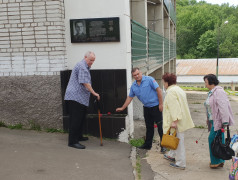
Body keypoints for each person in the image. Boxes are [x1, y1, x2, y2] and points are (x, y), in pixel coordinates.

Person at [116, 67, 166, 152]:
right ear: (133, 76)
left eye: (138, 74)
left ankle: (163, 145)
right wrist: (122, 108)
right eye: (134, 75)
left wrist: (161, 104)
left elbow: (159, 91)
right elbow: (129, 97)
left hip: (156, 107)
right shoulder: (134, 86)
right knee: (149, 127)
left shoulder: (149, 79)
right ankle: (147, 145)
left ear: (141, 73)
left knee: (160, 127)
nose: (137, 76)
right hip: (146, 108)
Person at [65, 51, 100, 149]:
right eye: (90, 60)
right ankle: (72, 142)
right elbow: (85, 83)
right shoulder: (82, 66)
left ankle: (78, 136)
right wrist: (94, 93)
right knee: (75, 120)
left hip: (80, 97)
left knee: (80, 118)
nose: (91, 62)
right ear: (85, 57)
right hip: (75, 97)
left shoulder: (85, 66)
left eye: (93, 61)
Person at [162, 73, 194, 170]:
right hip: (180, 119)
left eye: (163, 82)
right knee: (174, 138)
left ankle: (181, 163)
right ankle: (172, 155)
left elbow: (174, 107)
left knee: (178, 141)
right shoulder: (178, 89)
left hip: (176, 121)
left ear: (167, 82)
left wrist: (175, 121)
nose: (163, 84)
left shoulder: (171, 92)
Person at [203, 74, 234, 168]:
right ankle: (220, 160)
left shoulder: (219, 92)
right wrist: (208, 118)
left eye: (205, 82)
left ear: (211, 82)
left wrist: (224, 121)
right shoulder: (212, 92)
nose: (205, 84)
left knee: (212, 140)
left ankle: (215, 161)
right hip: (213, 120)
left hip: (219, 121)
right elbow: (210, 107)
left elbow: (223, 106)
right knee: (218, 141)